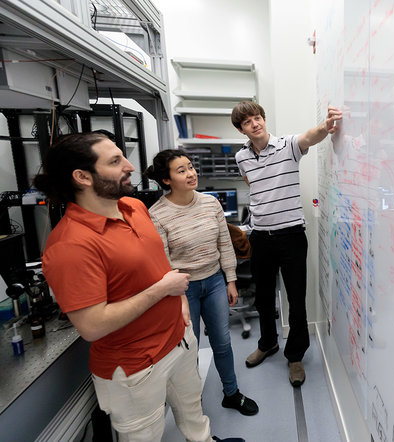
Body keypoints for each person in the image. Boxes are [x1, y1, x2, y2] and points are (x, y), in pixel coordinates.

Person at [35, 132, 244, 442]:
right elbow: (92, 326)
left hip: (179, 342)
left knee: (194, 416)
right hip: (135, 367)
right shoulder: (70, 245)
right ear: (82, 177)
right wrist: (164, 290)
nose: (130, 166)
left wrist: (180, 301)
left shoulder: (134, 207)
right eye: (116, 161)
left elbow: (159, 262)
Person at [231, 101, 341, 386]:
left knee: (296, 300)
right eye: (248, 122)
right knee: (264, 299)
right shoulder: (241, 157)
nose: (255, 123)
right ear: (241, 129)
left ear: (264, 120)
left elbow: (311, 136)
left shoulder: (287, 145)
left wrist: (326, 127)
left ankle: (295, 356)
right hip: (260, 238)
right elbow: (253, 188)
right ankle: (268, 343)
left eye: (258, 118)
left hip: (291, 236)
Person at [145, 149, 258, 415]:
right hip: (184, 290)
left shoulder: (210, 203)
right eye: (181, 170)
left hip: (215, 282)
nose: (191, 173)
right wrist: (181, 298)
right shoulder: (157, 214)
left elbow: (224, 243)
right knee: (189, 349)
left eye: (191, 167)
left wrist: (231, 280)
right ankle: (193, 407)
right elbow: (164, 262)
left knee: (222, 342)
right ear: (166, 180)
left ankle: (231, 393)